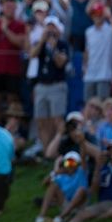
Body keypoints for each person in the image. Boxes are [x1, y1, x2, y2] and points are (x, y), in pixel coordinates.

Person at [47, 143, 112, 222]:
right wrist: (98, 166)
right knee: (83, 213)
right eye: (109, 151)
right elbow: (94, 190)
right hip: (104, 203)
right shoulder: (104, 170)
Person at [30, 16, 69, 151]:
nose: (50, 30)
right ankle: (46, 150)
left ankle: (56, 150)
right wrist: (42, 41)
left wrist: (54, 49)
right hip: (41, 85)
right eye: (48, 27)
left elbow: (61, 62)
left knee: (56, 119)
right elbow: (32, 55)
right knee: (41, 120)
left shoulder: (62, 45)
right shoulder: (40, 44)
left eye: (53, 27)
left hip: (56, 86)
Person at [35, 151, 88, 222]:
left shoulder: (81, 172)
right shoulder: (61, 176)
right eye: (67, 163)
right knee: (53, 185)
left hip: (80, 205)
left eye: (72, 163)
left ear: (78, 164)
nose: (70, 166)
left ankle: (61, 218)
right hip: (66, 203)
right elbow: (44, 184)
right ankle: (41, 216)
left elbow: (83, 155)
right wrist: (55, 172)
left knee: (81, 190)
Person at [83, 2, 112, 100]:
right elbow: (87, 50)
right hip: (89, 75)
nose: (97, 16)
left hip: (104, 75)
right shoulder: (89, 31)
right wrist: (84, 67)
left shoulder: (109, 30)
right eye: (95, 14)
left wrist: (110, 16)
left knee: (102, 106)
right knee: (88, 105)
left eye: (100, 14)